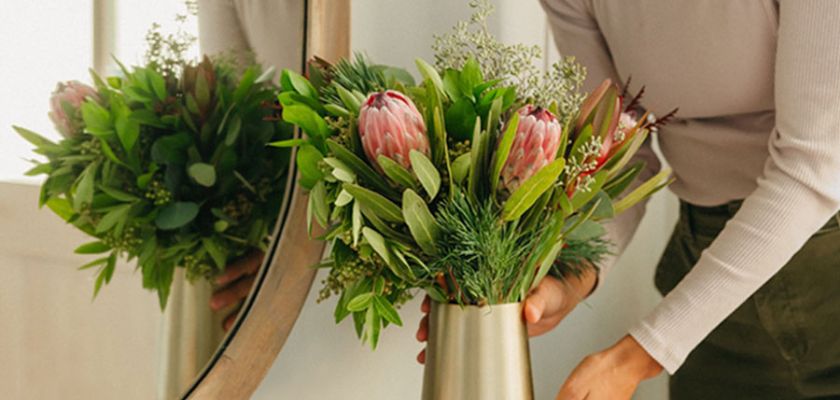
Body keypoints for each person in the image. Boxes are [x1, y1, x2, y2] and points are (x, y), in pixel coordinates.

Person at [415, 1, 840, 399]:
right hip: (705, 254)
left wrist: (640, 354)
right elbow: (621, 153)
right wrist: (566, 279)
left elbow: (811, 169)